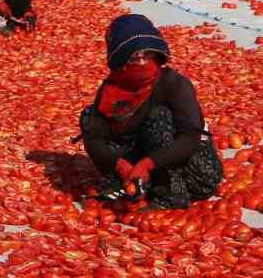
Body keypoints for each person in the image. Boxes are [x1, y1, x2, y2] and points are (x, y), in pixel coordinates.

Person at [79, 14, 223, 210]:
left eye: (146, 52)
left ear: (157, 53)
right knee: (89, 117)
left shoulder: (174, 84)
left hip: (190, 171)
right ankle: (134, 185)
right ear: (120, 57)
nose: (140, 58)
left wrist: (148, 163)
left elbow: (190, 138)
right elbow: (94, 138)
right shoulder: (111, 89)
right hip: (136, 170)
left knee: (159, 116)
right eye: (132, 54)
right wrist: (120, 165)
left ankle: (170, 195)